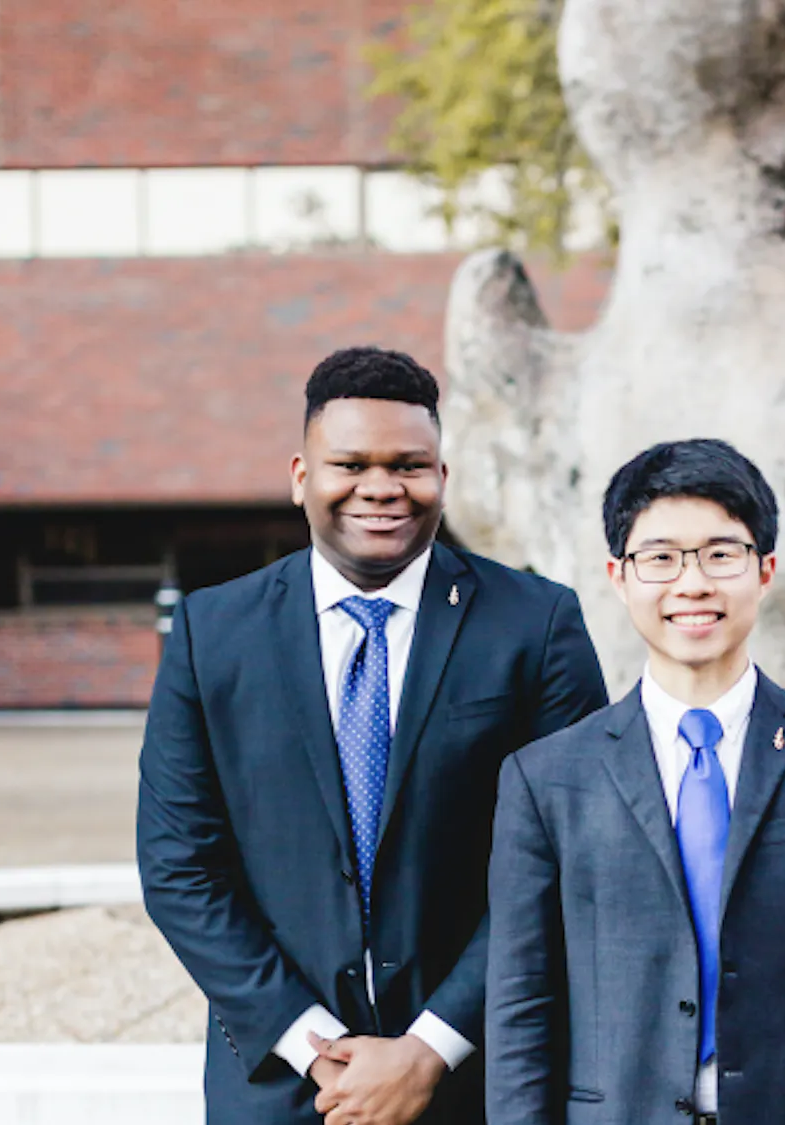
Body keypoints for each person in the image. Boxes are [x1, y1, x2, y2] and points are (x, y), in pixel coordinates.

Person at [137, 346, 609, 1125]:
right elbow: (178, 864)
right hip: (280, 1083)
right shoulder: (209, 633)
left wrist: (430, 1046)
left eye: (410, 465)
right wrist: (316, 1046)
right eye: (350, 463)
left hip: (482, 1077)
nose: (382, 487)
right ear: (301, 476)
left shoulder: (537, 624)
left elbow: (572, 852)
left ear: (443, 478)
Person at [483, 438, 785, 1125]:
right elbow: (521, 1008)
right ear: (619, 574)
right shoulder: (546, 779)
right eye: (660, 557)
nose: (692, 583)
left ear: (766, 569)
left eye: (721, 554)